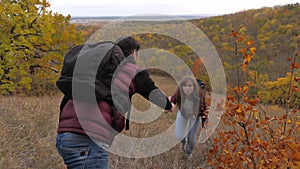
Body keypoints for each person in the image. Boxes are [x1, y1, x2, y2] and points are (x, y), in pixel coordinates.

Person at [56, 36, 176, 169]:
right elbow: (154, 93)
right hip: (88, 140)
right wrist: (169, 105)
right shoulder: (132, 70)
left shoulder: (98, 68)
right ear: (134, 53)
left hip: (64, 136)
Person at [170, 75, 207, 159]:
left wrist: (204, 123)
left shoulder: (199, 96)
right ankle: (183, 142)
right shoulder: (179, 93)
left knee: (192, 138)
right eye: (185, 86)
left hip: (195, 116)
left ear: (194, 87)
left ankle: (189, 153)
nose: (187, 88)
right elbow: (173, 100)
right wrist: (167, 106)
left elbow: (204, 109)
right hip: (183, 113)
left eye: (190, 86)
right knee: (179, 135)